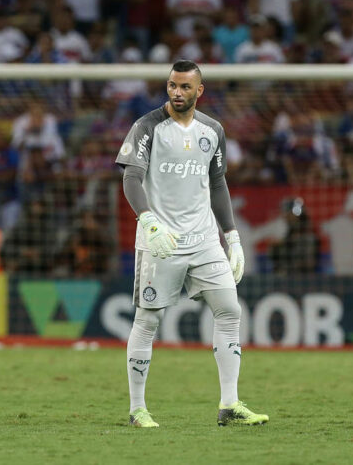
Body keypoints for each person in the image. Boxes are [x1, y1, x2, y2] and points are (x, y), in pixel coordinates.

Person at [115, 60, 268, 428]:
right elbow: (132, 178)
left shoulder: (213, 130)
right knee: (148, 319)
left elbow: (217, 184)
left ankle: (229, 404)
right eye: (171, 85)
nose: (176, 93)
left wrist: (231, 235)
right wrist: (148, 220)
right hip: (160, 241)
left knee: (230, 310)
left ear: (200, 91)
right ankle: (138, 409)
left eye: (185, 87)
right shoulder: (147, 127)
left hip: (203, 241)